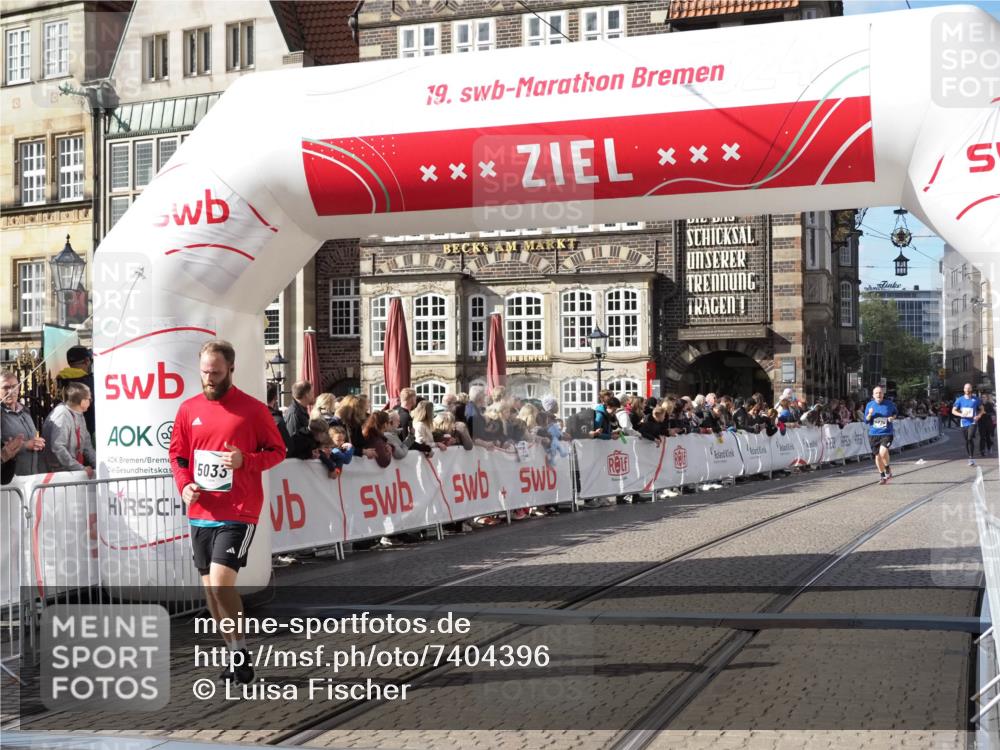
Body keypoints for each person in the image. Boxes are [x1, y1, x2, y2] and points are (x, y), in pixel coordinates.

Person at [168, 340, 286, 685]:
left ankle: (241, 652)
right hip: (202, 510)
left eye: (215, 372)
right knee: (210, 593)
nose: (208, 378)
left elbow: (278, 450)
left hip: (239, 509)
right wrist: (184, 484)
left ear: (230, 370)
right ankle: (237, 656)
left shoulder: (252, 409)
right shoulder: (188, 409)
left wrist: (245, 461)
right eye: (204, 371)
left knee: (221, 586)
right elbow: (178, 456)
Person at [41, 382, 96, 476]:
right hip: (57, 473)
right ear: (83, 402)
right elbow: (58, 447)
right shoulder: (62, 415)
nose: (91, 401)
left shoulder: (79, 414)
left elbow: (86, 444)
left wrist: (96, 463)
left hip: (70, 471)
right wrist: (80, 468)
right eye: (89, 399)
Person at [1, 370, 45, 483]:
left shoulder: (25, 410)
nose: (11, 391)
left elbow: (31, 437)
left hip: (31, 477)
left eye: (14, 386)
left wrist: (36, 443)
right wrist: (25, 445)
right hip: (9, 480)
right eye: (6, 387)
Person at [57, 345, 96, 440]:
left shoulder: (60, 380)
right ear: (87, 361)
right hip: (88, 434)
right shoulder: (90, 382)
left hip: (66, 433)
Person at [864, 385, 898, 484]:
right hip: (873, 434)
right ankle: (882, 476)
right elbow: (866, 421)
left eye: (880, 393)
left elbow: (895, 413)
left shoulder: (889, 404)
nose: (878, 394)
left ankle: (887, 469)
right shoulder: (869, 405)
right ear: (873, 395)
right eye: (876, 393)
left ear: (883, 394)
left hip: (886, 432)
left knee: (883, 452)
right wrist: (869, 414)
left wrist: (893, 417)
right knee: (877, 456)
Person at [952, 383, 984, 466]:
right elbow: (953, 411)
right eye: (966, 388)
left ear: (971, 389)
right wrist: (960, 414)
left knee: (970, 438)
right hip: (964, 422)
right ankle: (970, 456)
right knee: (967, 440)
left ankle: (971, 458)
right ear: (964, 390)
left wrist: (978, 416)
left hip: (973, 421)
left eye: (969, 388)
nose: (967, 390)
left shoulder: (976, 399)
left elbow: (982, 409)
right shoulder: (959, 400)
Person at [266, 384, 293, 454]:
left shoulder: (252, 417)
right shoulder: (277, 420)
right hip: (275, 461)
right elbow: (288, 447)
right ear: (275, 397)